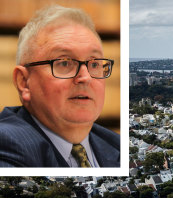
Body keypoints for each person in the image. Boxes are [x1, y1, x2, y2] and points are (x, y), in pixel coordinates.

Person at [0, 5, 119, 168]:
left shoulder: (115, 144)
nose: (86, 77)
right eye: (64, 62)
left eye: (94, 64)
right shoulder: (6, 144)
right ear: (24, 82)